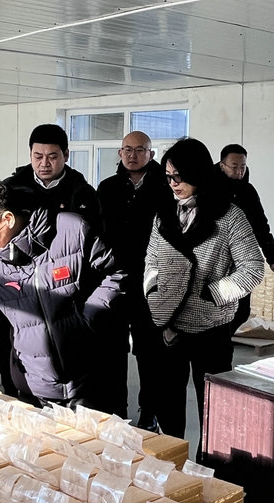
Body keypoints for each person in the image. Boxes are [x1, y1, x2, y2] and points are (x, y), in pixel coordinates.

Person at [0, 180, 125, 412]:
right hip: (34, 383)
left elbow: (116, 274)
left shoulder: (71, 229)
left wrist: (88, 319)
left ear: (7, 219)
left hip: (89, 378)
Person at [144, 138, 264, 450]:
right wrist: (154, 295)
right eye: (168, 177)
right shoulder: (164, 215)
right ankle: (171, 466)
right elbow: (151, 262)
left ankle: (209, 470)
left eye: (179, 176)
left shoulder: (230, 216)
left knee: (214, 409)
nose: (173, 184)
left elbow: (253, 269)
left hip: (211, 328)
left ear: (198, 173)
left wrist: (212, 295)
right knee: (168, 406)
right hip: (168, 324)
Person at [0, 123, 101, 399]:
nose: (44, 163)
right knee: (14, 363)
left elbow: (95, 252)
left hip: (63, 293)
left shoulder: (82, 193)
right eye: (37, 156)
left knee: (62, 364)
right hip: (19, 291)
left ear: (66, 155)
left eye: (52, 156)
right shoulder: (10, 191)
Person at [97, 130, 169, 424]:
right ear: (120, 153)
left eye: (140, 150)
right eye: (127, 149)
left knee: (150, 352)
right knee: (112, 351)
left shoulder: (164, 187)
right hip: (114, 281)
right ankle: (116, 411)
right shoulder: (107, 188)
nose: (133, 155)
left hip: (151, 284)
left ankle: (149, 413)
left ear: (151, 154)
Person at [215, 144, 274, 335]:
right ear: (222, 165)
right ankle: (216, 343)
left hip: (242, 257)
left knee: (241, 311)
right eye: (234, 166)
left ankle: (224, 339)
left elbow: (260, 223)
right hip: (216, 257)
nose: (239, 171)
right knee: (217, 307)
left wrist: (272, 255)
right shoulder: (209, 189)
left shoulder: (248, 191)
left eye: (242, 166)